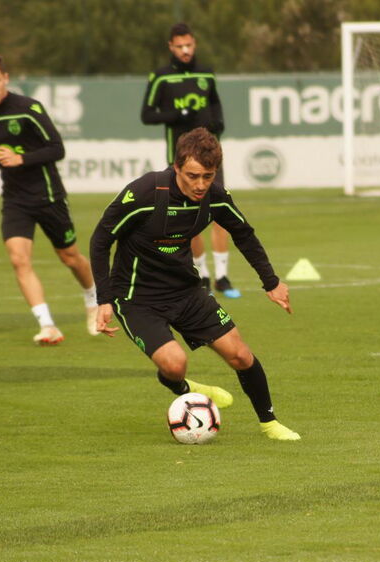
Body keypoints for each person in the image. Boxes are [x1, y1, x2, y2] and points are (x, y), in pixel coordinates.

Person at [90, 128, 300, 441]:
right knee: (175, 365)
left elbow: (244, 233)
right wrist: (104, 298)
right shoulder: (145, 193)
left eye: (208, 176)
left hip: (185, 291)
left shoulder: (214, 196)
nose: (201, 184)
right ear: (176, 168)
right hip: (136, 298)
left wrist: (271, 282)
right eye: (193, 176)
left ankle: (269, 423)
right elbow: (100, 239)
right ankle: (186, 388)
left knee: (241, 355)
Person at [0, 51, 98, 345]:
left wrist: (21, 159)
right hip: (15, 199)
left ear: (5, 78)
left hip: (48, 195)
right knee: (19, 259)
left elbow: (57, 148)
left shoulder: (28, 108)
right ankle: (48, 325)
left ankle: (93, 299)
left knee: (70, 257)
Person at [140, 22, 241, 299]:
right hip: (182, 160)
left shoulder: (206, 74)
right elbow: (147, 115)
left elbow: (215, 101)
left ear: (194, 44)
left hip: (209, 157)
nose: (185, 51)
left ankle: (222, 276)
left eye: (189, 45)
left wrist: (218, 122)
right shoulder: (161, 77)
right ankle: (202, 275)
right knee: (189, 217)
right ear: (171, 47)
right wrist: (174, 116)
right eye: (179, 46)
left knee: (220, 213)